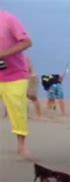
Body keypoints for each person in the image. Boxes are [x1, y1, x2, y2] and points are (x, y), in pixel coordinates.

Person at [0, 10, 33, 157]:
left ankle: (22, 146)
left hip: (15, 74)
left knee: (18, 111)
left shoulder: (8, 19)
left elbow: (27, 42)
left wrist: (2, 55)